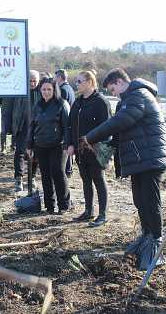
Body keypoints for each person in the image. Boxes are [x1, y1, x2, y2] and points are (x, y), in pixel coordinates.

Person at [83, 68, 166, 270]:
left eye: (113, 89)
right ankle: (147, 236)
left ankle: (156, 242)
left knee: (150, 200)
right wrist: (105, 145)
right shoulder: (128, 100)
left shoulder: (139, 95)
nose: (114, 93)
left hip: (150, 158)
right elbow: (122, 131)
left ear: (120, 82)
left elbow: (122, 121)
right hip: (140, 159)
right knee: (140, 200)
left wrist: (91, 136)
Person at [67, 70, 112, 227]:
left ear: (90, 82)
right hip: (80, 150)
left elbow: (108, 128)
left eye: (79, 81)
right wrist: (70, 144)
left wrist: (99, 147)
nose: (76, 84)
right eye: (77, 81)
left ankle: (103, 214)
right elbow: (70, 125)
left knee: (98, 179)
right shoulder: (78, 102)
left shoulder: (101, 102)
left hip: (95, 149)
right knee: (86, 180)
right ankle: (88, 211)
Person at [26, 77, 71, 214]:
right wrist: (29, 144)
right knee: (45, 175)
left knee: (57, 172)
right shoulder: (37, 106)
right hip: (40, 145)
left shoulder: (61, 104)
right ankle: (49, 206)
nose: (46, 92)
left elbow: (67, 126)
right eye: (44, 89)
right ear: (40, 90)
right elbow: (32, 126)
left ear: (54, 90)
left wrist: (67, 144)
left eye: (49, 89)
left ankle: (63, 205)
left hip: (58, 145)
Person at [11, 70, 40, 192]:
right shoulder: (19, 91)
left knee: (35, 154)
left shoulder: (41, 92)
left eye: (35, 81)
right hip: (22, 127)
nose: (32, 83)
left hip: (37, 129)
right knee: (20, 153)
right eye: (30, 81)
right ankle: (19, 178)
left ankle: (32, 177)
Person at [55, 69, 75, 178]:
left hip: (64, 122)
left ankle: (66, 170)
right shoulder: (70, 88)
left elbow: (61, 108)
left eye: (55, 77)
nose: (54, 80)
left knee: (65, 147)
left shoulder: (62, 90)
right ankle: (69, 170)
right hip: (70, 121)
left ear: (59, 77)